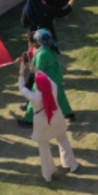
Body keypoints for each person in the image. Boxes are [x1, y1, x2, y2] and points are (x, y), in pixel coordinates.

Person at [19, 54, 78, 182]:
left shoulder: (35, 97)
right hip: (57, 116)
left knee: (44, 147)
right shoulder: (53, 87)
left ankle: (48, 174)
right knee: (63, 139)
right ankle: (71, 164)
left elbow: (22, 88)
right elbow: (44, 76)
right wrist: (33, 67)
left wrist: (21, 72)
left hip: (41, 122)